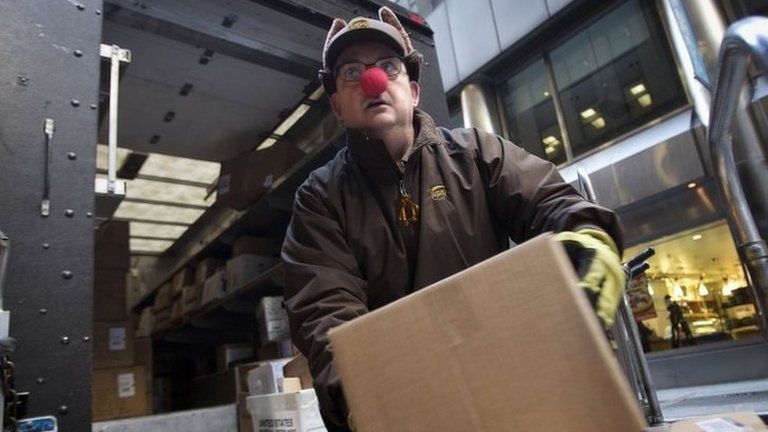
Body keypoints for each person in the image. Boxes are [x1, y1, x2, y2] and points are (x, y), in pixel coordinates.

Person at [281, 7, 626, 431]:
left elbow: (549, 201)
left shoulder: (478, 154)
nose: (373, 80)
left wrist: (588, 237)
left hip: (509, 383)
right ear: (336, 105)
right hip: (404, 404)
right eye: (351, 72)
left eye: (387, 66)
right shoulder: (320, 198)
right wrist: (361, 393)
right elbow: (324, 313)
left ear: (413, 91)